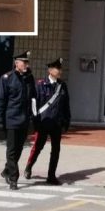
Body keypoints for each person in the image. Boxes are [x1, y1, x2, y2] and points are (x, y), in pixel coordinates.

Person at [24, 57, 71, 185]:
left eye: (60, 68)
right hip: (43, 122)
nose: (59, 70)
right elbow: (34, 104)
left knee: (56, 150)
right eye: (57, 68)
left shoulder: (62, 86)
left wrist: (66, 121)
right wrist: (35, 121)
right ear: (50, 70)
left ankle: (51, 175)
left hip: (56, 123)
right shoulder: (40, 85)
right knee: (38, 147)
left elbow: (66, 105)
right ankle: (28, 166)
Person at [0, 50, 36, 190]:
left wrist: (34, 117)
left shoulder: (29, 78)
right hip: (11, 119)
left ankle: (7, 170)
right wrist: (0, 120)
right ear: (16, 63)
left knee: (18, 149)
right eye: (23, 62)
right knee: (11, 151)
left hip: (24, 120)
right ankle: (13, 178)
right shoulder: (7, 78)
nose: (25, 64)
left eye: (27, 62)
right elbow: (0, 100)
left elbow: (33, 99)